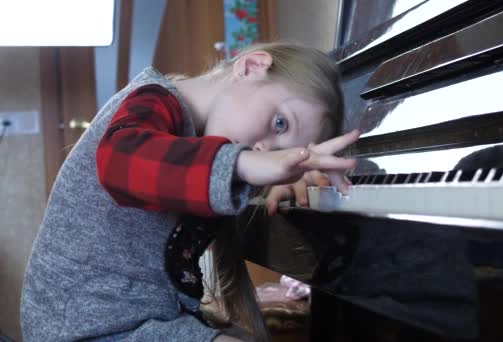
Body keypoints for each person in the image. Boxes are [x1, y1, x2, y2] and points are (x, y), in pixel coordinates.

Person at [20, 42, 359, 342]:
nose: (265, 150)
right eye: (280, 124)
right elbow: (118, 162)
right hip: (83, 327)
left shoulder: (200, 136)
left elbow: (201, 180)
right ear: (251, 67)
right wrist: (248, 164)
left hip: (133, 320)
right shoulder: (155, 99)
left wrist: (279, 179)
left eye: (283, 149)